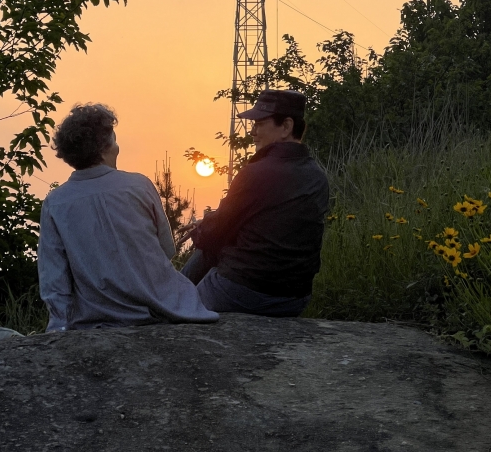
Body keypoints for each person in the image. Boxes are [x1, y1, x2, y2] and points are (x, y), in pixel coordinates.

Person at [37, 103, 219, 330]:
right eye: (114, 139)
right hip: (162, 309)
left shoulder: (56, 202)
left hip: (96, 320)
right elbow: (167, 249)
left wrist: (57, 330)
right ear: (105, 147)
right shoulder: (139, 186)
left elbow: (54, 280)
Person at [179, 89, 329, 317]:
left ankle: (172, 299)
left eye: (260, 124)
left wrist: (202, 229)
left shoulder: (256, 173)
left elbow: (215, 233)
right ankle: (174, 295)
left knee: (209, 246)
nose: (252, 132)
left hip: (245, 292)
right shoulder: (317, 176)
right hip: (295, 298)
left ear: (286, 127)